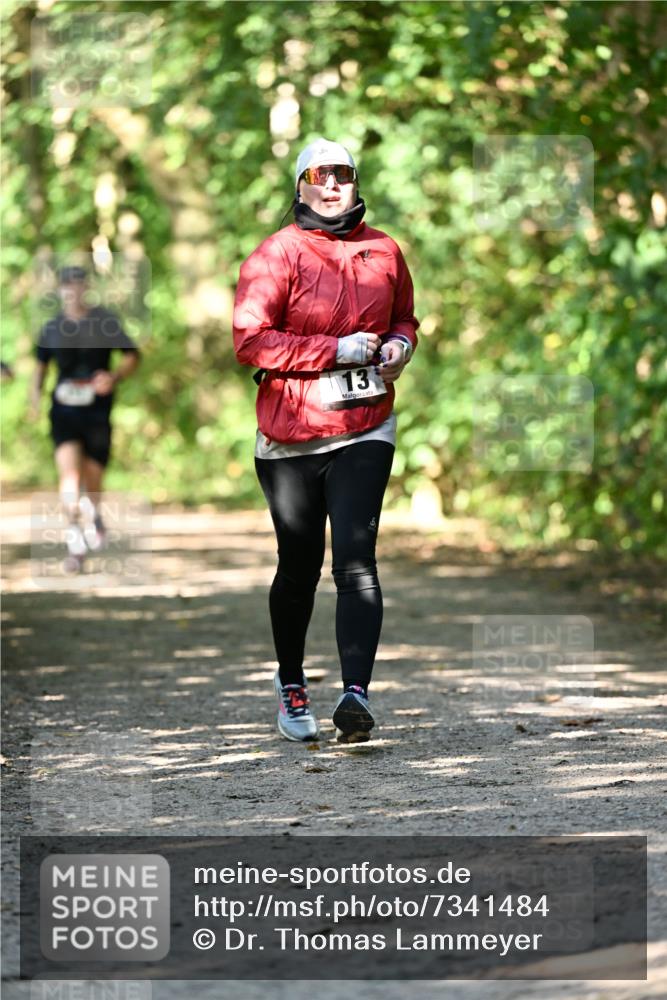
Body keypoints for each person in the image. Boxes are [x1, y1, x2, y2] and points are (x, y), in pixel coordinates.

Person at [233, 138, 419, 743]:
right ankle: (291, 686)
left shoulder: (384, 250)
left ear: (356, 182)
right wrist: (334, 350)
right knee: (299, 563)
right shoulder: (276, 254)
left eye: (344, 174)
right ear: (301, 185)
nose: (333, 184)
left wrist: (399, 348)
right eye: (320, 174)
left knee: (357, 559)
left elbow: (405, 317)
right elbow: (251, 342)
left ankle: (355, 695)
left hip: (366, 425)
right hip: (290, 435)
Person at [31, 265, 140, 572]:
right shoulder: (50, 328)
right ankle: (74, 541)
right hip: (63, 411)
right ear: (60, 291)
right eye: (66, 286)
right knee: (70, 477)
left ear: (85, 288)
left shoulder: (105, 321)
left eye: (78, 285)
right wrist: (35, 400)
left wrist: (114, 376)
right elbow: (39, 369)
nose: (72, 291)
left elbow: (132, 355)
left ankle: (94, 513)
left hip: (97, 411)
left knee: (93, 479)